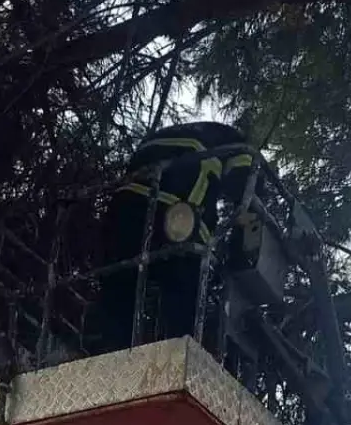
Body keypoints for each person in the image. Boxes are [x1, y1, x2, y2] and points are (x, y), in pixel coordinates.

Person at [94, 120, 255, 352]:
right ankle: (180, 353)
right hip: (171, 221)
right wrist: (236, 257)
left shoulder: (182, 133)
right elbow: (245, 199)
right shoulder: (240, 148)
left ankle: (109, 350)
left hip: (121, 215)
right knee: (183, 293)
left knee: (119, 289)